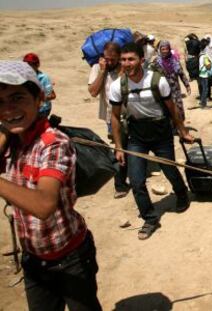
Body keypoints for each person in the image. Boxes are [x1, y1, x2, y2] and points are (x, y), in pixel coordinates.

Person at [0, 60, 101, 311]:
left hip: (71, 258)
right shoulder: (10, 140)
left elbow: (44, 204)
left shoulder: (54, 143)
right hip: (34, 260)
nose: (8, 108)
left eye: (17, 97)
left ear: (38, 99)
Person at [109, 43, 194, 240]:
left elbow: (172, 109)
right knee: (137, 180)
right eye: (123, 59)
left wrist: (182, 131)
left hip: (161, 132)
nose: (127, 63)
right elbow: (114, 117)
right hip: (137, 135)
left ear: (141, 60)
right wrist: (119, 146)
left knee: (169, 168)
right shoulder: (117, 86)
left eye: (131, 59)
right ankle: (150, 218)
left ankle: (181, 194)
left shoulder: (157, 80)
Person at [88, 42, 130, 199]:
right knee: (120, 147)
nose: (110, 62)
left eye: (113, 59)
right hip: (111, 116)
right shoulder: (97, 68)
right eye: (107, 59)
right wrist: (103, 71)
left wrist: (122, 71)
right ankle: (119, 184)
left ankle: (128, 177)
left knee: (128, 146)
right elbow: (93, 92)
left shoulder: (124, 67)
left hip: (131, 114)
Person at [154, 40, 191, 121]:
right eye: (163, 49)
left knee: (178, 106)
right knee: (166, 108)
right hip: (163, 90)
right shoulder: (157, 62)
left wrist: (187, 85)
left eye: (166, 49)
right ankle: (171, 127)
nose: (165, 51)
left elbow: (181, 74)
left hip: (175, 89)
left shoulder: (175, 60)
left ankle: (180, 126)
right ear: (160, 50)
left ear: (169, 49)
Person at [23, 53, 56, 118]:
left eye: (30, 65)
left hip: (41, 110)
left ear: (37, 65)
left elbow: (52, 95)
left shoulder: (44, 78)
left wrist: (38, 98)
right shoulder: (23, 77)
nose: (27, 68)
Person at [198, 38, 212, 108]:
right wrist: (211, 64)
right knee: (205, 90)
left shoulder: (200, 54)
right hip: (204, 75)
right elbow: (208, 66)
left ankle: (201, 102)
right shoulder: (205, 56)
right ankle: (204, 104)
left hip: (201, 74)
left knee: (202, 89)